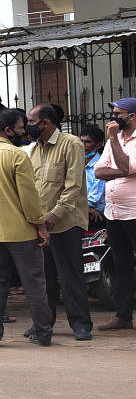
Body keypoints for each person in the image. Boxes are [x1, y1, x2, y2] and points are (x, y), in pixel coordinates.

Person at [0, 109, 52, 347]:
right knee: (34, 283)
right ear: (7, 130)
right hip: (22, 232)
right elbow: (30, 198)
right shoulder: (17, 155)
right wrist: (40, 226)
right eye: (20, 128)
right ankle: (43, 333)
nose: (24, 132)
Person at [27, 104, 92, 341]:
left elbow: (73, 186)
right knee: (43, 278)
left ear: (45, 123)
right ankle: (44, 323)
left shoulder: (71, 143)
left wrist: (54, 215)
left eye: (31, 121)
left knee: (70, 275)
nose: (28, 126)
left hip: (65, 223)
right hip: (40, 224)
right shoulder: (34, 149)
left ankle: (81, 324)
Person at [92, 98, 136, 331]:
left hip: (135, 213)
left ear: (133, 116)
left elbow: (128, 167)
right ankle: (123, 316)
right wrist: (120, 169)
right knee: (121, 265)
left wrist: (112, 142)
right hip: (115, 213)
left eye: (119, 113)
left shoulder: (115, 140)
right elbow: (99, 170)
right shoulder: (115, 140)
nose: (114, 117)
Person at [81, 125, 106, 226]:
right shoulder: (79, 162)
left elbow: (95, 196)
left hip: (96, 214)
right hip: (83, 210)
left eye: (87, 142)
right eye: (81, 141)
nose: (82, 145)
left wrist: (86, 207)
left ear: (99, 145)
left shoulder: (101, 164)